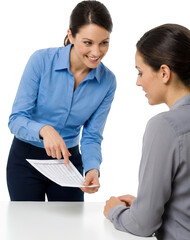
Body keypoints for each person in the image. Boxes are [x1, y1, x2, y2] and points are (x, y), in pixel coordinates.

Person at [7, 0, 116, 201]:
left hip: (69, 163)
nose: (96, 52)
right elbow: (15, 119)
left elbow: (92, 136)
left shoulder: (107, 81)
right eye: (88, 42)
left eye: (104, 42)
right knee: (27, 230)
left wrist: (93, 168)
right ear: (71, 35)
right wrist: (44, 130)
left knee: (70, 230)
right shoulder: (40, 61)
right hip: (25, 159)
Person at [104, 23, 190, 240]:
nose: (138, 82)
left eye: (141, 72)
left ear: (164, 72)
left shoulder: (165, 126)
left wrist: (115, 211)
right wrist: (145, 206)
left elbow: (143, 225)